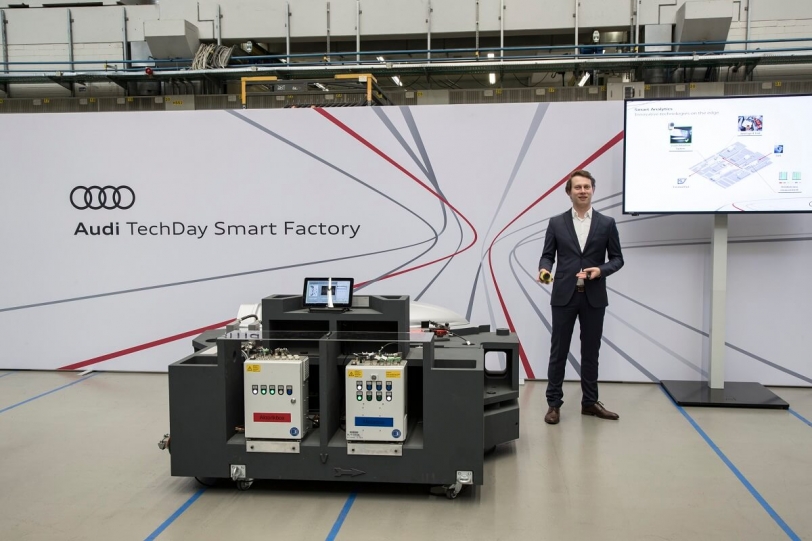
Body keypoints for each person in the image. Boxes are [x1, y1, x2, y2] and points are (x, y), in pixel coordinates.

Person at [537, 169, 624, 425]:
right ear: (569, 192)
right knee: (559, 351)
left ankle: (590, 402)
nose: (583, 191)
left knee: (591, 352)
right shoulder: (556, 223)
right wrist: (544, 269)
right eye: (578, 187)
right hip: (564, 295)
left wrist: (601, 270)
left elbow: (617, 259)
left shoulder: (607, 223)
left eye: (587, 186)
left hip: (594, 296)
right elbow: (547, 255)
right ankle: (554, 404)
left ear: (593, 190)